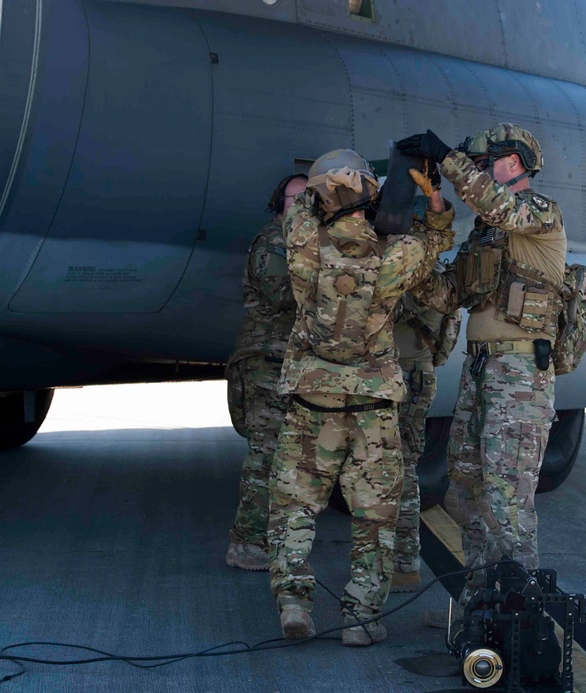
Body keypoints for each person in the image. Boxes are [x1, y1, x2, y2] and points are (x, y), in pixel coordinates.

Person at [267, 149, 454, 646]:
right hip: (372, 405)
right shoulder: (395, 256)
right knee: (374, 517)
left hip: (313, 398)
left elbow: (300, 209)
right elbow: (435, 241)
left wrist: (324, 186)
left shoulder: (304, 243)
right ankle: (362, 617)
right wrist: (433, 199)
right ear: (368, 199)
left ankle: (293, 602)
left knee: (293, 506)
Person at [397, 124, 567, 611]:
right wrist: (418, 247)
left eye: (480, 164)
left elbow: (495, 204)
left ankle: (519, 614)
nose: (472, 172)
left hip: (519, 374)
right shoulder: (488, 235)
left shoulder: (537, 213)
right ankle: (480, 603)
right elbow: (450, 294)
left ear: (511, 163)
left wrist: (447, 159)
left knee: (507, 501)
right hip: (480, 371)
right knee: (466, 492)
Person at [224, 173, 308, 571]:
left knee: (290, 456)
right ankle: (246, 542)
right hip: (266, 364)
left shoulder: (306, 243)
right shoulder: (273, 244)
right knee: (266, 455)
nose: (302, 204)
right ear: (280, 205)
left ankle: (277, 539)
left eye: (309, 198)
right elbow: (284, 296)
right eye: (294, 198)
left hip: (290, 363)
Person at [390, 286, 460, 593]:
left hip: (398, 375)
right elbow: (446, 346)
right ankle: (403, 563)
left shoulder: (407, 277)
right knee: (403, 469)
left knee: (391, 472)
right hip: (419, 373)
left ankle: (400, 564)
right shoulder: (440, 281)